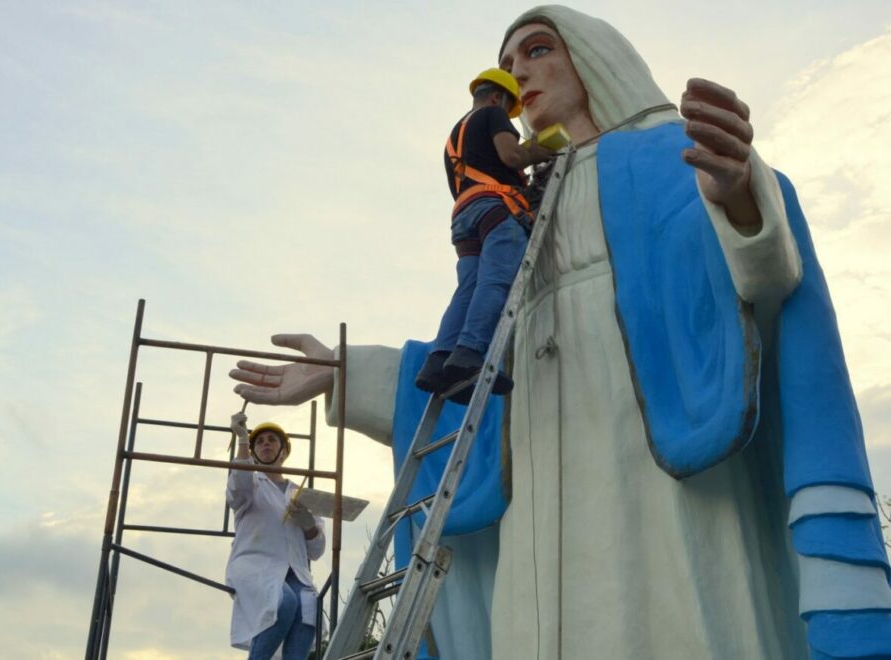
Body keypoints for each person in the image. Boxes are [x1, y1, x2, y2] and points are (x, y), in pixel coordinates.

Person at [230, 6, 891, 659]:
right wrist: (344, 371)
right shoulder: (528, 197)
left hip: (654, 458)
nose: (520, 70)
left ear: (594, 58)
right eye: (511, 60)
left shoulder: (669, 153)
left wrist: (741, 197)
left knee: (671, 608)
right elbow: (478, 356)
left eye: (538, 50)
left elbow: (761, 280)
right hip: (540, 451)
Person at [415, 68, 554, 402]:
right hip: (495, 210)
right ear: (497, 98)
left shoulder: (454, 136)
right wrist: (540, 151)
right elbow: (512, 155)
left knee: (469, 287)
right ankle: (470, 353)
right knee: (495, 282)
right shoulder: (493, 114)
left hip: (464, 218)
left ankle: (438, 360)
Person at [224, 414, 325, 660]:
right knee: (284, 601)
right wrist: (241, 440)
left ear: (283, 451)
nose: (265, 444)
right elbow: (237, 490)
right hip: (254, 565)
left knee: (308, 608)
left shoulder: (301, 494)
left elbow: (317, 549)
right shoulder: (252, 483)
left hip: (296, 572)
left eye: (272, 440)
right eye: (259, 442)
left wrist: (308, 524)